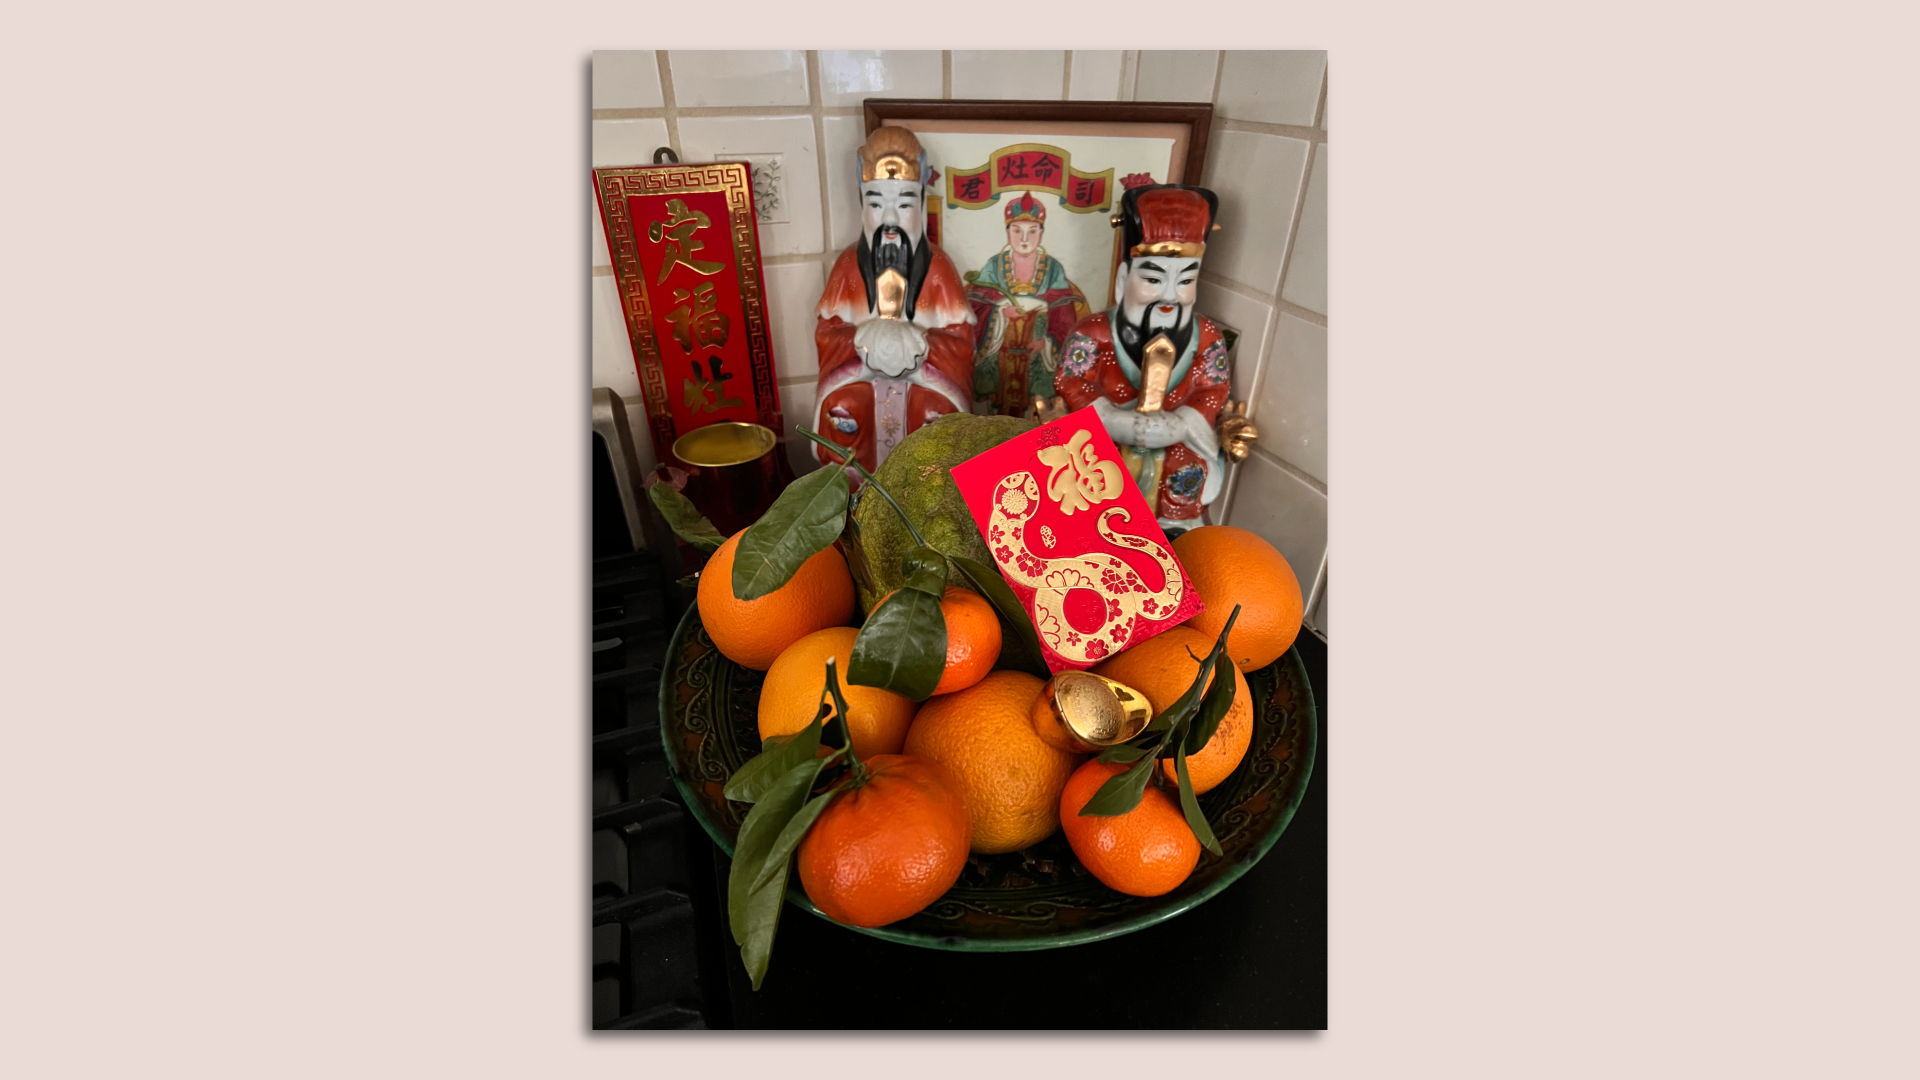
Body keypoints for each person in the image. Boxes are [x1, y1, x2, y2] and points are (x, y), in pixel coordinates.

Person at [1053, 184, 1234, 532]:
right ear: (1124, 280)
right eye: (1153, 278)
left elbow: (1214, 389)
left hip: (1176, 449)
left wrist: (1181, 422)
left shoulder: (1206, 336)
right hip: (1105, 445)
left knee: (1182, 477)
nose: (1170, 295)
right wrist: (1109, 419)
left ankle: (1175, 532)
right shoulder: (1093, 332)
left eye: (1185, 280)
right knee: (1091, 483)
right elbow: (1070, 381)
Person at [811, 126, 974, 478]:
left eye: (903, 204)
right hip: (860, 379)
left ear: (921, 204)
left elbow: (961, 343)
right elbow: (827, 334)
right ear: (861, 207)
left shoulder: (939, 268)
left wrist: (919, 347)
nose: (889, 221)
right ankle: (853, 506)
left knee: (937, 421)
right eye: (875, 204)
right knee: (842, 411)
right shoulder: (847, 266)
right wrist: (862, 341)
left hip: (923, 383)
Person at [963, 191, 1091, 416]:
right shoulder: (994, 266)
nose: (1024, 239)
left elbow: (1065, 316)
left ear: (1041, 233)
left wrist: (1049, 342)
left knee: (1040, 406)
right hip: (999, 350)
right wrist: (1000, 313)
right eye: (1016, 231)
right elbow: (976, 308)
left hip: (1039, 355)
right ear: (1007, 232)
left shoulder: (1053, 269)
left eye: (1032, 231)